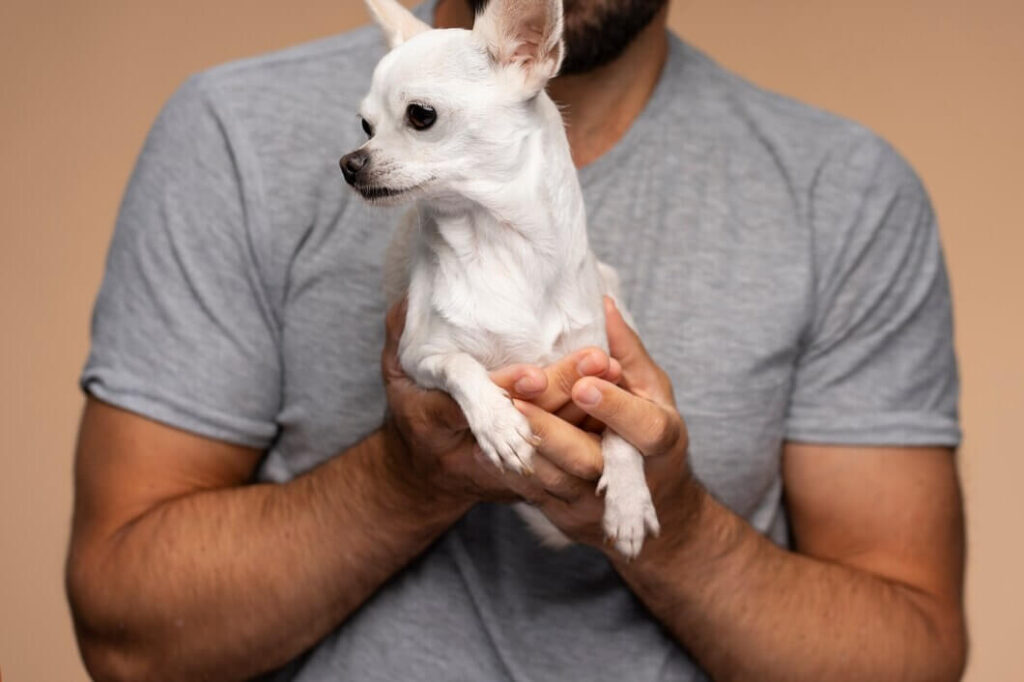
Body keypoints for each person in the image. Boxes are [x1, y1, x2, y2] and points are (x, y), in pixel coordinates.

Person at [66, 0, 967, 679]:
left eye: (419, 120)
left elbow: (915, 656)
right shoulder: (233, 131)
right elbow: (124, 635)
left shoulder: (845, 190)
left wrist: (670, 522)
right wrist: (412, 475)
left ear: (534, 45)